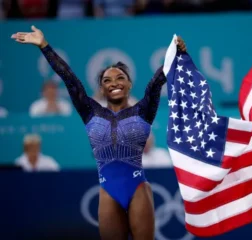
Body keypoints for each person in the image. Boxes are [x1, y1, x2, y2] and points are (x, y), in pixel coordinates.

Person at [11, 25, 187, 240]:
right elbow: (69, 79)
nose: (114, 83)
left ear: (129, 85)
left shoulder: (143, 110)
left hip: (138, 188)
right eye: (107, 80)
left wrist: (176, 53)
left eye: (120, 78)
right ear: (102, 89)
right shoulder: (89, 112)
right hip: (107, 192)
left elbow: (158, 79)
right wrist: (44, 46)